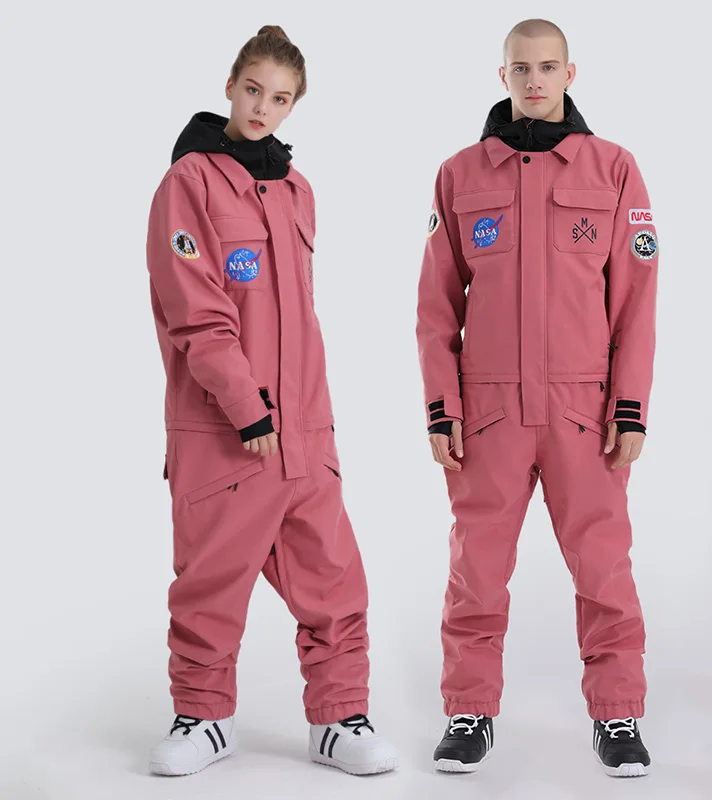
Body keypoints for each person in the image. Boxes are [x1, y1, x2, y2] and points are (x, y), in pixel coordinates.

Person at [145, 25, 398, 777]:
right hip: (227, 433)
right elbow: (197, 310)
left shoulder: (296, 190)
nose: (263, 107)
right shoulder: (189, 183)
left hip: (306, 434)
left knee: (335, 583)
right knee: (210, 586)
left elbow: (299, 316)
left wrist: (308, 422)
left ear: (294, 106)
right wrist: (246, 406)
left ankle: (339, 720)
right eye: (253, 89)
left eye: (280, 98)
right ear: (230, 86)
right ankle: (203, 719)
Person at [416, 18, 658, 777]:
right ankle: (469, 712)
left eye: (548, 67)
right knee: (477, 572)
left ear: (569, 73)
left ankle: (617, 715)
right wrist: (441, 407)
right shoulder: (460, 175)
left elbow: (637, 301)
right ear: (503, 76)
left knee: (604, 570)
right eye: (521, 68)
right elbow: (435, 307)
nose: (534, 81)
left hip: (584, 414)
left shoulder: (613, 169)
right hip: (488, 414)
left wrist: (630, 406)